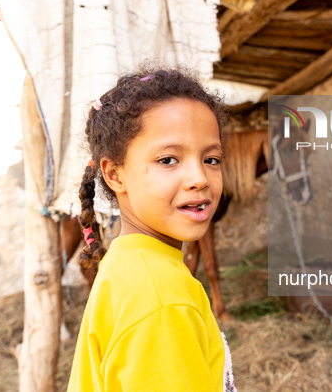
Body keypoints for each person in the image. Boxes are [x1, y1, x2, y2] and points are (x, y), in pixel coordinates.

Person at [67, 64, 237, 392]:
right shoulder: (163, 301)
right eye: (168, 160)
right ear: (115, 174)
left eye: (211, 159)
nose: (200, 178)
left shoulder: (127, 264)